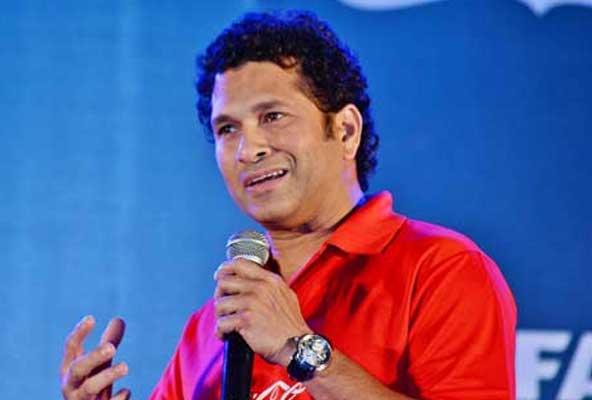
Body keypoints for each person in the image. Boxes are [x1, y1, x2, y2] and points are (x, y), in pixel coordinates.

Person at [60, 10, 516, 400]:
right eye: (227, 129)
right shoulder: (213, 323)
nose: (248, 149)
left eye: (272, 116)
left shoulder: (442, 269)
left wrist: (300, 350)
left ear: (345, 130)